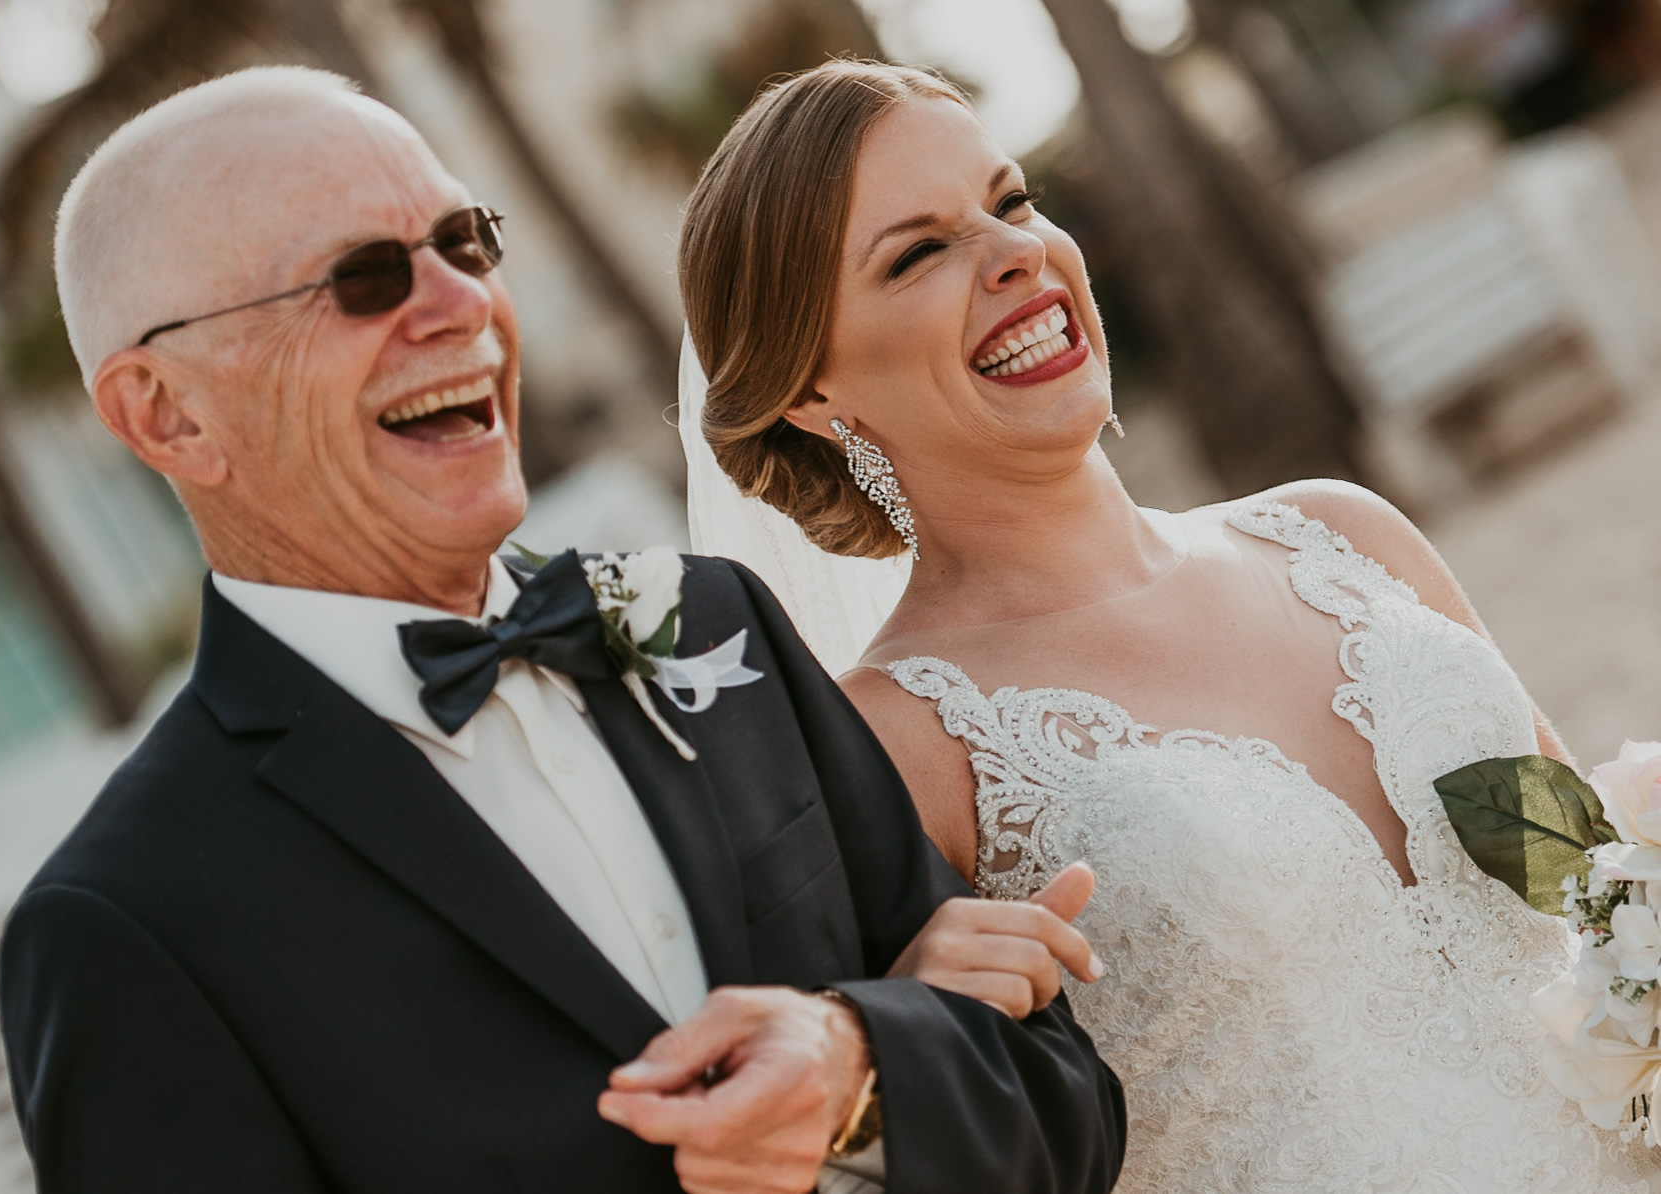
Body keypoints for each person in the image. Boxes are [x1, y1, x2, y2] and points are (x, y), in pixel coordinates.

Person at [0, 66, 1129, 1194]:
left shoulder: (709, 622)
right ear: (167, 411)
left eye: (464, 241)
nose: (458, 304)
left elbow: (1066, 1102)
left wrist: (863, 1073)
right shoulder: (126, 923)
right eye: (364, 277)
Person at [677, 58, 1659, 1192]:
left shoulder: (1342, 533)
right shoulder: (890, 742)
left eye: (1011, 201)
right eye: (917, 253)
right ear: (809, 389)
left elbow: (1600, 894)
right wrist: (904, 1037)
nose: (1013, 254)